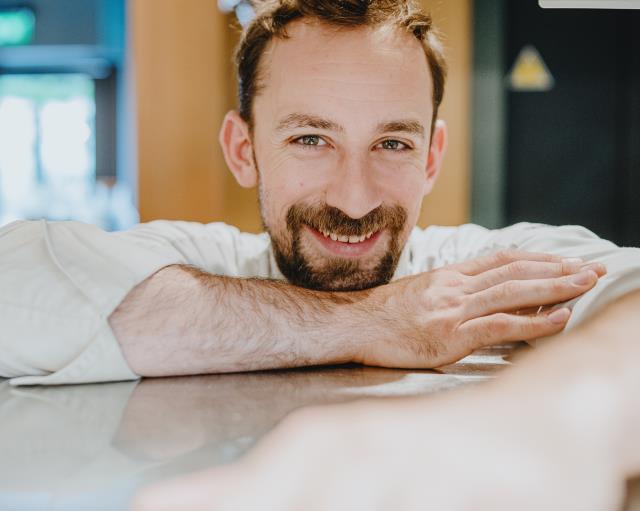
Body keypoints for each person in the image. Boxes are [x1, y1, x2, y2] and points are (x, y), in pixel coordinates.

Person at [0, 0, 637, 389]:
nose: (356, 200)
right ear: (243, 151)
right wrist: (370, 323)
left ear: (432, 158)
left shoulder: (480, 276)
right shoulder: (198, 262)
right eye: (311, 139)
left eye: (392, 144)